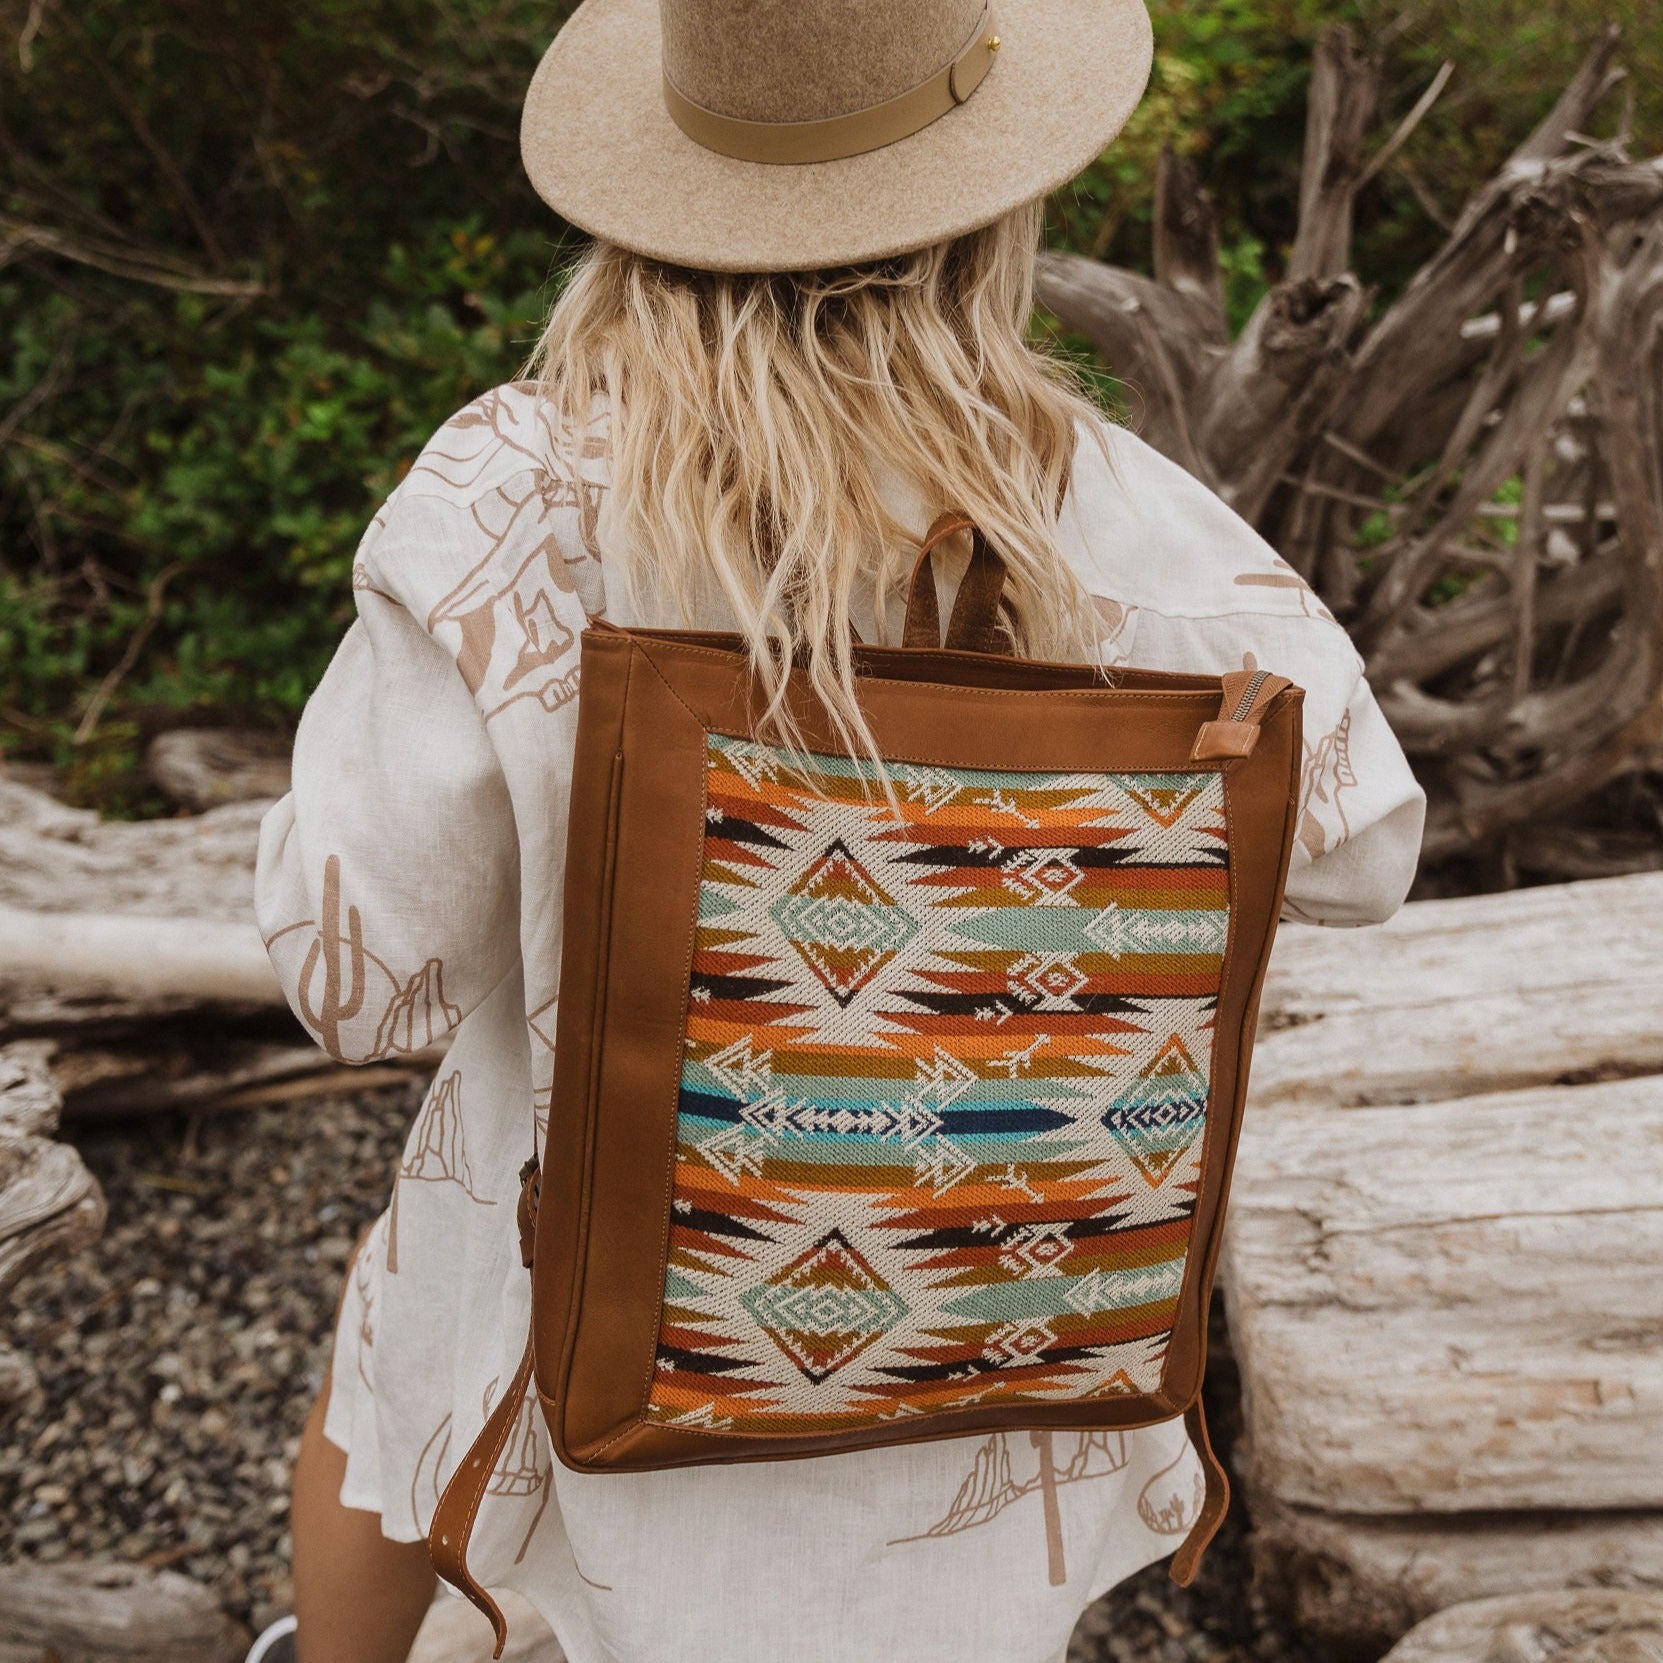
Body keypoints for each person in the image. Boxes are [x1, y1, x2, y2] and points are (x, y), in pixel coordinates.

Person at [249, 1, 1427, 1660]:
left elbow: (361, 986)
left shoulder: (515, 494)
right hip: (992, 1326)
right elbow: (1364, 846)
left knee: (414, 1277)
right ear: (994, 207)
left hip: (600, 1325)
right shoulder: (1099, 508)